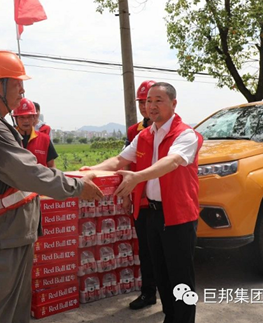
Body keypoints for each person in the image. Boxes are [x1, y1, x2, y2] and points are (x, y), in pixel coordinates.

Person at [0, 51, 104, 323]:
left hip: (7, 236)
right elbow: (28, 173)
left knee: (13, 313)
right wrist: (76, 187)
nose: (23, 90)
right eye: (17, 84)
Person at [85, 82, 202, 323]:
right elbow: (119, 160)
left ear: (174, 104)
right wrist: (92, 171)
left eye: (158, 100)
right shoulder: (144, 135)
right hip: (152, 214)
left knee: (180, 277)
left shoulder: (185, 134)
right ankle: (170, 317)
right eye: (149, 101)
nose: (152, 105)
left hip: (178, 216)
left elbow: (171, 162)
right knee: (161, 274)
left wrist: (138, 176)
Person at [126, 80, 158, 310]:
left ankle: (172, 298)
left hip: (162, 200)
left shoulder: (171, 130)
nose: (145, 107)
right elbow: (127, 161)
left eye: (148, 102)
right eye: (141, 103)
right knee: (145, 251)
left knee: (165, 252)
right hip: (141, 200)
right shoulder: (133, 132)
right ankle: (148, 293)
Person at [12, 98, 58, 168]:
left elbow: (51, 166)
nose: (26, 121)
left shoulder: (45, 139)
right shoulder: (9, 138)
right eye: (21, 117)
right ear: (16, 119)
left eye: (29, 117)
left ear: (34, 117)